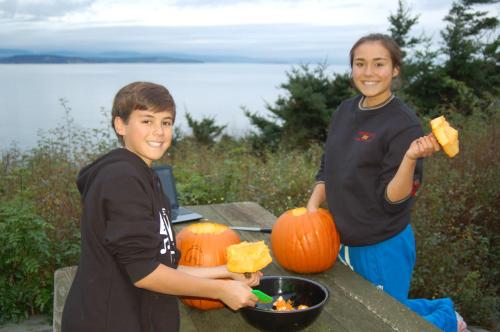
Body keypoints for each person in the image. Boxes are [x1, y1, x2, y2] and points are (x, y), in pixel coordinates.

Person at [61, 82, 261, 332]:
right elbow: (145, 272)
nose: (158, 131)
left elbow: (161, 264)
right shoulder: (121, 179)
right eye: (147, 121)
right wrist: (220, 290)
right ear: (120, 125)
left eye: (165, 122)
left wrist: (226, 272)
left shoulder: (144, 175)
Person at [306, 34, 467, 332]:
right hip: (341, 241)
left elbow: (393, 201)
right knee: (360, 313)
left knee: (384, 324)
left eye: (379, 64)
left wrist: (409, 158)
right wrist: (312, 210)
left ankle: (447, 321)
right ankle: (441, 308)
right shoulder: (344, 110)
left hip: (381, 245)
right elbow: (328, 167)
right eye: (360, 64)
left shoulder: (402, 124)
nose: (368, 72)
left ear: (395, 69)